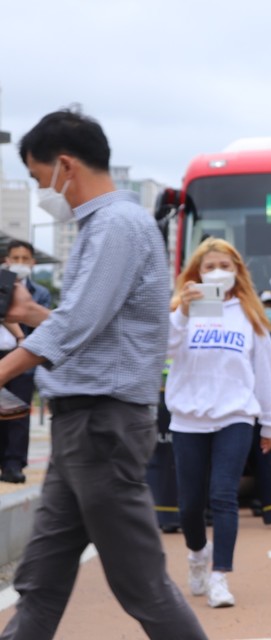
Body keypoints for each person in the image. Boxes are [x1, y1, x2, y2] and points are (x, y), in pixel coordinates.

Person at [0, 110, 206, 639]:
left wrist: (3, 370)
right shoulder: (109, 226)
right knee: (40, 579)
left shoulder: (117, 224)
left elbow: (80, 322)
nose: (40, 187)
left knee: (141, 584)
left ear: (64, 165)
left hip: (102, 425)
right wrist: (36, 318)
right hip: (84, 426)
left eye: (35, 174)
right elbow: (100, 327)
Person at [166, 238, 271, 608]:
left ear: (237, 272)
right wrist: (182, 310)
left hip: (235, 415)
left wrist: (269, 422)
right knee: (189, 505)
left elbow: (265, 371)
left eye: (225, 266)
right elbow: (162, 348)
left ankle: (219, 577)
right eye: (209, 266)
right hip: (188, 418)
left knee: (224, 495)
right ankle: (198, 554)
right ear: (196, 273)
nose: (217, 272)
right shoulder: (180, 311)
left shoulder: (249, 315)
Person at [0, 240, 51, 483]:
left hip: (26, 358)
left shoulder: (40, 293)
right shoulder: (1, 286)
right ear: (6, 260)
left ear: (32, 262)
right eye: (15, 258)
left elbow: (46, 327)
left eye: (24, 258)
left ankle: (13, 464)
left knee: (18, 414)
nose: (20, 262)